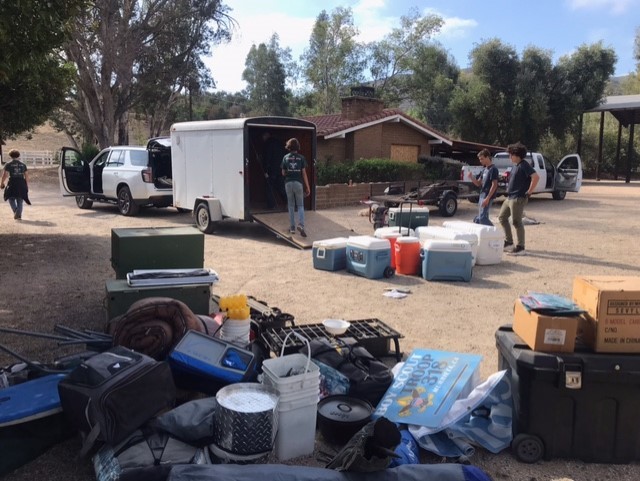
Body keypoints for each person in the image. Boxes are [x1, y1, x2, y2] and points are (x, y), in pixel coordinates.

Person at [498, 142, 539, 256]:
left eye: (511, 155)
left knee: (517, 222)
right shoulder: (516, 166)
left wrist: (529, 192)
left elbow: (535, 177)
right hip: (510, 197)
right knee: (502, 217)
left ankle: (521, 247)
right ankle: (509, 243)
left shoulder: (524, 165)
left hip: (518, 198)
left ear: (517, 155)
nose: (510, 157)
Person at [281, 138, 310, 237]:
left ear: (288, 147)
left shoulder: (285, 157)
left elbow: (283, 173)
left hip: (288, 183)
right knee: (300, 206)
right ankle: (301, 225)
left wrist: (289, 173)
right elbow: (304, 174)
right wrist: (308, 187)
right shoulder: (301, 158)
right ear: (297, 147)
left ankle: (292, 228)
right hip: (298, 183)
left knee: (291, 206)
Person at [468, 149, 499, 226]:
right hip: (482, 194)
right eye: (480, 159)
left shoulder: (493, 169)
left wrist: (487, 198)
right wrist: (471, 177)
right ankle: (487, 235)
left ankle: (495, 233)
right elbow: (478, 183)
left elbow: (494, 185)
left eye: (482, 159)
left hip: (487, 195)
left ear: (487, 157)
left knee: (482, 218)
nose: (480, 161)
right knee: (482, 217)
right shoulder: (484, 170)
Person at [1, 149, 30, 220]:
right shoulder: (23, 165)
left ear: (10, 156)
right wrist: (26, 185)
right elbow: (26, 175)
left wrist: (2, 183)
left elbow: (5, 175)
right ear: (18, 155)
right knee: (20, 199)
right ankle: (18, 214)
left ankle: (16, 211)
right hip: (21, 183)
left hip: (12, 183)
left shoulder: (8, 164)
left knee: (11, 198)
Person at [261, 131, 287, 209]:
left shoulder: (268, 144)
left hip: (271, 170)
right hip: (280, 169)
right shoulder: (279, 143)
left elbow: (267, 158)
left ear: (266, 135)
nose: (262, 139)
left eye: (263, 137)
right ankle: (289, 203)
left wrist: (265, 171)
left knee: (270, 188)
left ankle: (271, 206)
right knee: (281, 188)